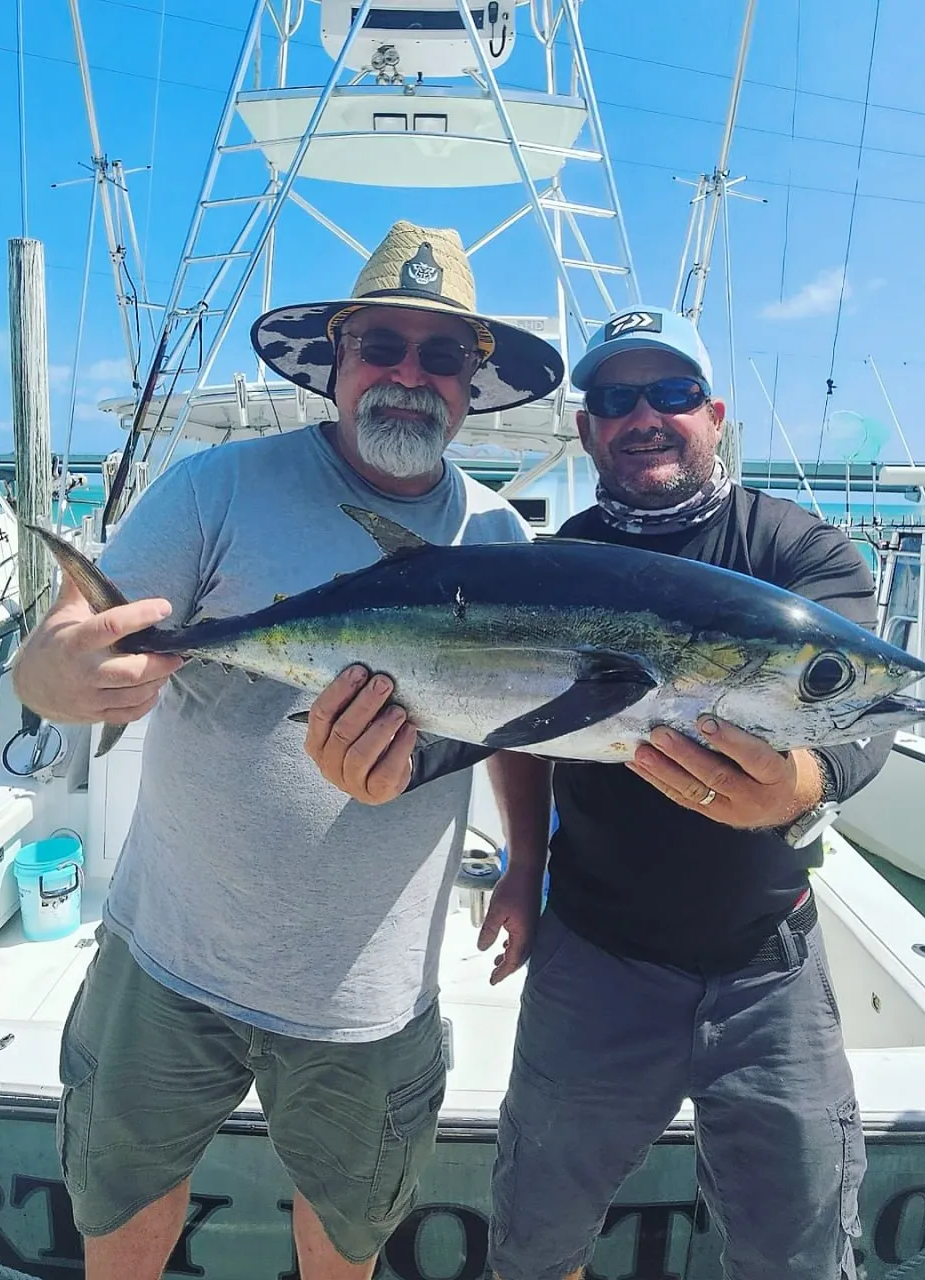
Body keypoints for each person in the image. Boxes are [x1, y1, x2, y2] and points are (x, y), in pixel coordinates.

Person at [10, 220, 564, 1280]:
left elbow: (520, 720)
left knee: (342, 1244)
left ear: (469, 382)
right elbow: (65, 646)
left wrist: (529, 867)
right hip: (166, 958)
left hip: (366, 995)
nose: (408, 375)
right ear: (336, 362)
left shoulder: (498, 543)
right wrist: (58, 679)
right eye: (382, 348)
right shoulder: (212, 488)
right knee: (122, 1221)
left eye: (439, 355)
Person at [307, 306, 890, 1280]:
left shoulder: (798, 553)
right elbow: (508, 720)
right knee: (535, 1240)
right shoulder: (553, 561)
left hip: (765, 965)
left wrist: (799, 781)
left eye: (667, 394)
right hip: (594, 957)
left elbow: (862, 713)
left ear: (711, 413)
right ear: (585, 429)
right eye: (615, 399)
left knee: (796, 1253)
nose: (642, 416)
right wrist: (512, 859)